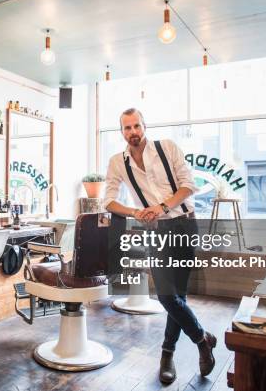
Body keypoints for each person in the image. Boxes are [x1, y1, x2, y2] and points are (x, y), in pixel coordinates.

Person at [103, 108, 216, 384]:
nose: (133, 132)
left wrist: (161, 206)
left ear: (145, 126)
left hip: (184, 224)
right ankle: (202, 340)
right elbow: (107, 200)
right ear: (121, 132)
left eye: (137, 126)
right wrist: (135, 212)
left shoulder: (167, 148)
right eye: (127, 128)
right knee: (167, 296)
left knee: (177, 295)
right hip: (157, 231)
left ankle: (167, 355)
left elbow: (189, 186)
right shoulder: (118, 162)